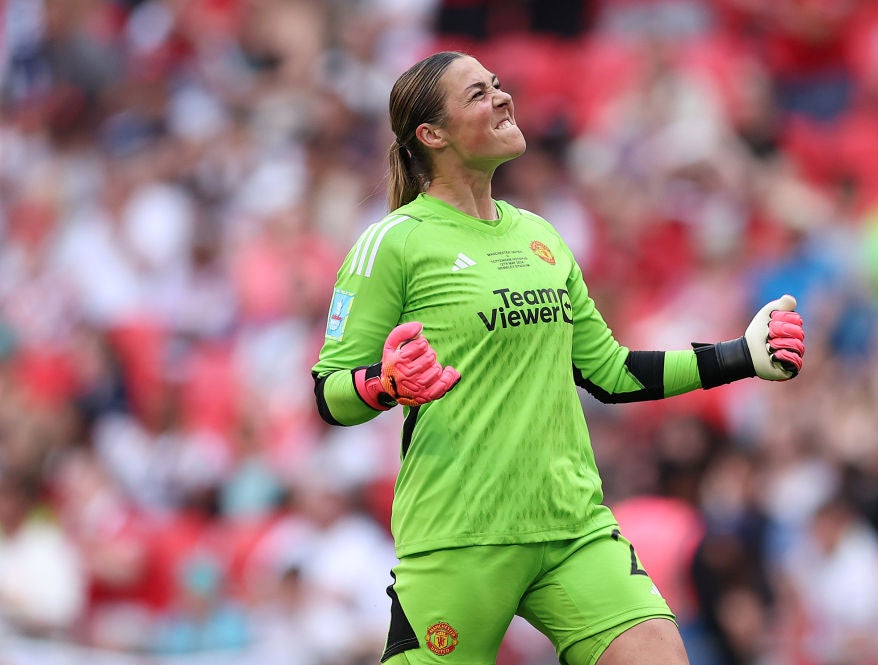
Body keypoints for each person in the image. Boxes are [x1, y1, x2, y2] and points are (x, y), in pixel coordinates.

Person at [311, 51, 805, 665]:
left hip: (573, 527)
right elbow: (329, 392)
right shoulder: (395, 242)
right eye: (477, 95)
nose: (501, 98)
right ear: (431, 135)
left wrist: (740, 355)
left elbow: (612, 374)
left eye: (498, 85)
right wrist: (382, 385)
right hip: (461, 536)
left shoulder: (541, 236)